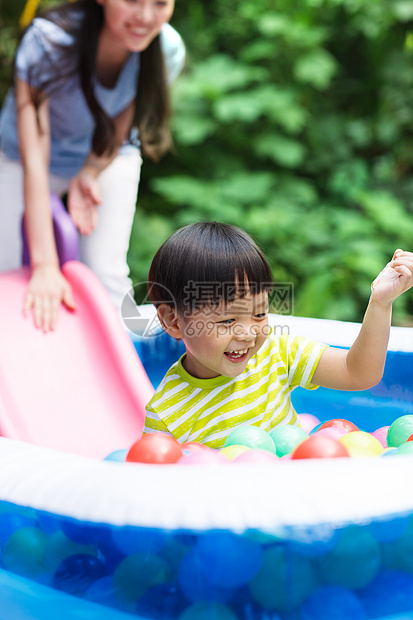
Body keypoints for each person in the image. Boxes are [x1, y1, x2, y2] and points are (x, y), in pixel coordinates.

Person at [0, 0, 185, 331]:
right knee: (7, 268)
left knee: (107, 274)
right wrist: (45, 265)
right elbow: (34, 155)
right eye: (131, 1)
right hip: (21, 156)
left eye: (160, 3)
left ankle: (119, 367)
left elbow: (121, 124)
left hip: (106, 153)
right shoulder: (48, 40)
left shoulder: (167, 48)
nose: (145, 16)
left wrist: (91, 171)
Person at [143, 221, 413, 448]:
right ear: (173, 320)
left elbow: (358, 373)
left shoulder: (278, 354)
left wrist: (380, 303)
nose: (249, 334)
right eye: (227, 320)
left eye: (259, 314)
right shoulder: (166, 413)